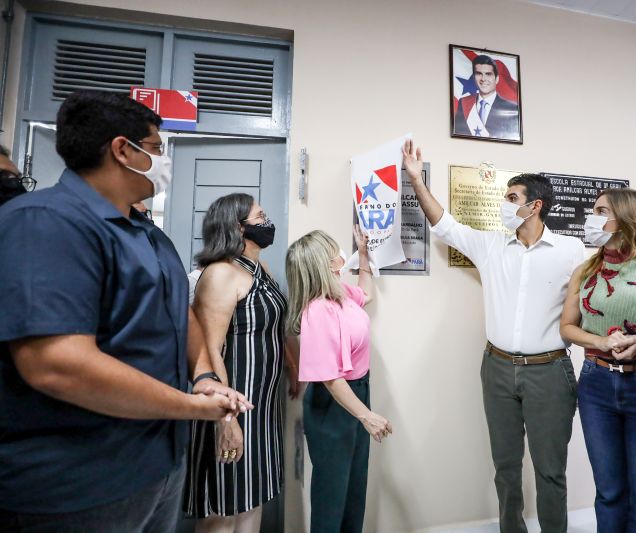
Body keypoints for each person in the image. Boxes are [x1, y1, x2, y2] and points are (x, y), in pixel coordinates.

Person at [0, 90, 251, 532]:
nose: (163, 160)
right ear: (122, 150)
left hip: (157, 467)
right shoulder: (46, 222)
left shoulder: (147, 234)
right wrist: (190, 408)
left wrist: (205, 378)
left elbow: (183, 315)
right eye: (156, 149)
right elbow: (56, 364)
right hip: (80, 484)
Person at [404, 140, 583, 533]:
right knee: (505, 466)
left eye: (512, 197)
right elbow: (444, 224)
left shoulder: (572, 251)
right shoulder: (490, 245)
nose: (504, 203)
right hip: (497, 368)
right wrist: (416, 180)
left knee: (551, 470)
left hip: (549, 373)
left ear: (534, 205)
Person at [560, 187, 636, 533]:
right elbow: (568, 327)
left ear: (626, 218)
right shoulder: (585, 270)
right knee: (610, 493)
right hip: (596, 385)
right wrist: (599, 340)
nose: (591, 218)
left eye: (600, 211)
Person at [183, 193, 295, 532]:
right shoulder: (220, 274)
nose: (266, 223)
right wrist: (225, 418)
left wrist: (291, 365)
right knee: (224, 506)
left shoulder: (259, 268)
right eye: (260, 217)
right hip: (232, 405)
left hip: (262, 409)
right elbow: (210, 349)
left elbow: (273, 327)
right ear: (237, 226)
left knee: (252, 498)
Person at [285, 227, 391, 533]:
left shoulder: (341, 294)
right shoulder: (317, 311)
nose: (339, 255)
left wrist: (364, 253)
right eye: (334, 250)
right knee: (332, 497)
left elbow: (366, 293)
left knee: (354, 492)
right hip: (332, 404)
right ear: (325, 263)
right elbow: (330, 378)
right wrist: (366, 416)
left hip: (356, 393)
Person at [453, 55, 520, 140]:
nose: (483, 79)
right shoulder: (463, 103)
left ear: (497, 79)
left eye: (488, 74)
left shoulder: (511, 108)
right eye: (479, 74)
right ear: (474, 78)